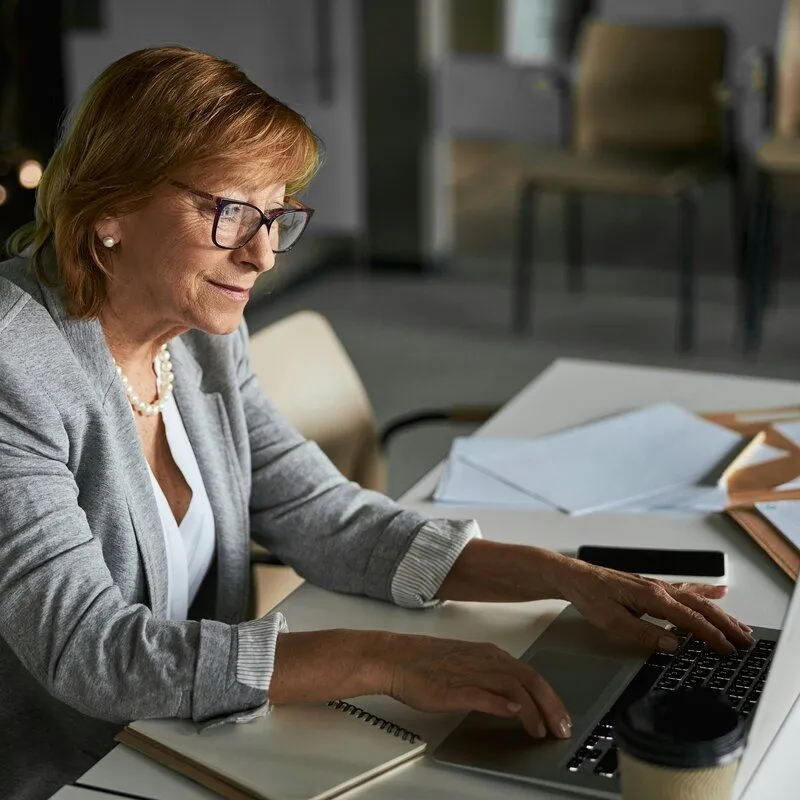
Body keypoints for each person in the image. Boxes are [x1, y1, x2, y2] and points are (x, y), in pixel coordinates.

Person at [0, 46, 752, 800]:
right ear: (109, 210)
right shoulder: (15, 365)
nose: (262, 254)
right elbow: (90, 652)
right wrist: (387, 662)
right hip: (83, 776)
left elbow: (325, 516)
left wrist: (565, 580)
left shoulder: (196, 331)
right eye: (229, 211)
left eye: (275, 213)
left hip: (206, 742)